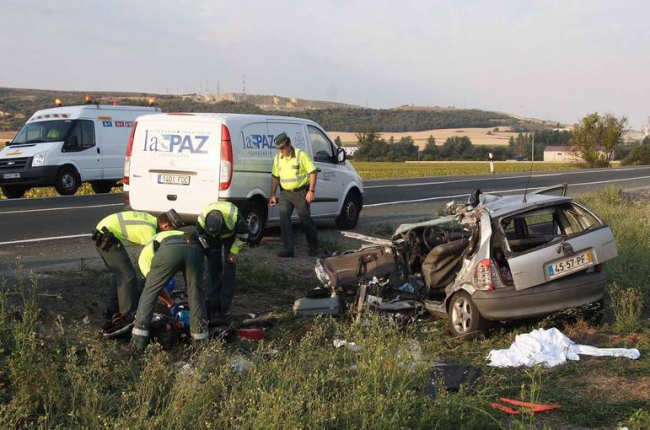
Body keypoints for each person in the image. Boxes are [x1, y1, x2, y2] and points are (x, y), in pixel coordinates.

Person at [92, 209, 184, 317]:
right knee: (128, 277)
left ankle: (112, 311)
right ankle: (129, 315)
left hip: (105, 232)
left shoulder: (152, 220)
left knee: (120, 274)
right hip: (106, 236)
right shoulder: (149, 230)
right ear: (166, 227)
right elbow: (156, 258)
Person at [130, 229, 209, 352]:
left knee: (149, 294)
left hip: (168, 248)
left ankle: (138, 344)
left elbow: (155, 288)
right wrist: (171, 302)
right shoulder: (170, 232)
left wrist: (169, 303)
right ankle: (201, 343)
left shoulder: (144, 257)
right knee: (196, 295)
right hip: (194, 247)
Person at [268, 132, 319, 258]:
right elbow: (275, 177)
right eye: (279, 149)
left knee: (305, 221)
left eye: (283, 148)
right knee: (284, 221)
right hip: (285, 194)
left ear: (289, 144)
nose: (281, 151)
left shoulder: (301, 155)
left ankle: (314, 248)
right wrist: (272, 195)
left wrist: (311, 191)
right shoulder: (277, 159)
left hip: (301, 193)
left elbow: (313, 172)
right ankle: (288, 250)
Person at [196, 202, 249, 316]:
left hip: (230, 235)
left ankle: (225, 307)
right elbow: (198, 236)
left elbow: (244, 235)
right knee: (213, 267)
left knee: (229, 267)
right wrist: (205, 249)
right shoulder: (202, 219)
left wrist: (234, 251)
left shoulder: (234, 217)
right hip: (211, 236)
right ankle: (213, 303)